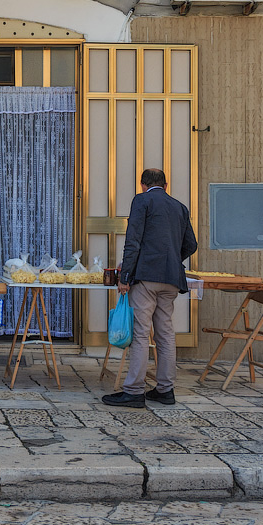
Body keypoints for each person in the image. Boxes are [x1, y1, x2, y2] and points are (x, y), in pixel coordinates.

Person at [102, 168, 197, 408]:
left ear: (143, 185)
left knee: (141, 334)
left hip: (146, 278)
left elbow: (133, 240)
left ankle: (134, 391)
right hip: (172, 279)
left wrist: (125, 276)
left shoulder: (142, 200)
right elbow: (191, 245)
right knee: (165, 334)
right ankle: (165, 390)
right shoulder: (180, 207)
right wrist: (173, 259)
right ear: (165, 185)